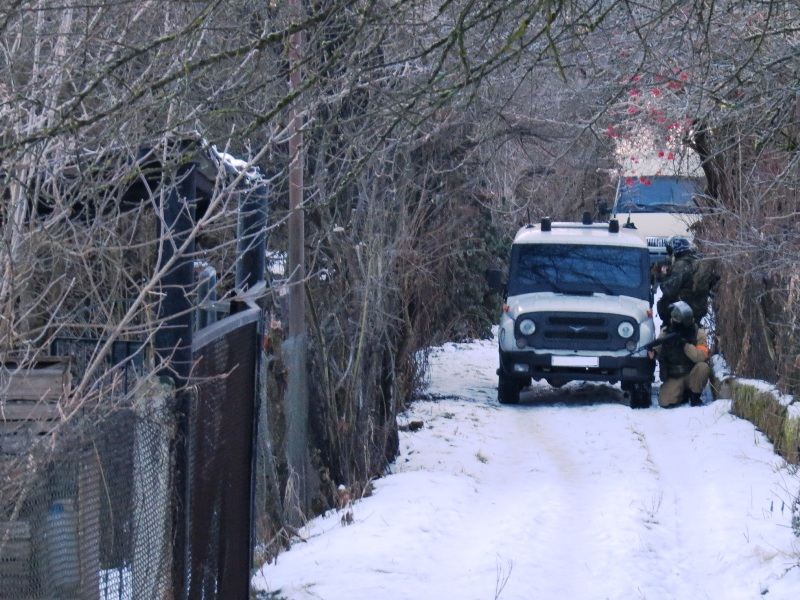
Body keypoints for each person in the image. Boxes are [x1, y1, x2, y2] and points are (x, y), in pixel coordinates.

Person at [648, 301, 711, 408]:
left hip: (691, 373)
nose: (674, 322)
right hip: (674, 375)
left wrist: (685, 345)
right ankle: (683, 394)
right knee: (665, 402)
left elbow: (701, 357)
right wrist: (653, 354)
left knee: (703, 367)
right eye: (673, 319)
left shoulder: (698, 333)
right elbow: (658, 349)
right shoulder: (666, 332)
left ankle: (695, 396)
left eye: (677, 320)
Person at [653, 236, 717, 325]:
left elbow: (669, 291)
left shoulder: (681, 265)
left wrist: (663, 277)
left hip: (681, 314)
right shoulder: (700, 263)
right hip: (698, 312)